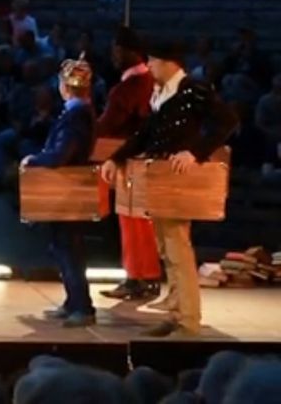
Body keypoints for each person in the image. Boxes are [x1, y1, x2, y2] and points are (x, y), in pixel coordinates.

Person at [100, 38, 238, 338]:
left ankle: (188, 320)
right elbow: (146, 133)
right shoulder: (162, 93)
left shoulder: (193, 89)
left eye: (152, 61)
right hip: (161, 177)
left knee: (177, 247)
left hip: (178, 179)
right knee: (166, 245)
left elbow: (228, 120)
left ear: (168, 62)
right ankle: (177, 309)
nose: (148, 66)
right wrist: (117, 157)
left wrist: (195, 152)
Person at [21, 55, 97, 327]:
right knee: (63, 247)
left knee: (69, 249)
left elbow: (60, 155)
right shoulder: (77, 111)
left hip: (68, 190)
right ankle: (72, 302)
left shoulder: (76, 114)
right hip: (65, 191)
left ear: (64, 86)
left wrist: (34, 160)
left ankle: (82, 306)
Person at [96, 27, 162, 302]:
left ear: (131, 51)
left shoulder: (131, 87)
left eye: (117, 48)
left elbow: (107, 125)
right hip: (140, 161)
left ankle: (141, 278)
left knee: (135, 222)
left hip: (131, 162)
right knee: (137, 222)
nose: (113, 54)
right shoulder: (147, 82)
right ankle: (141, 277)